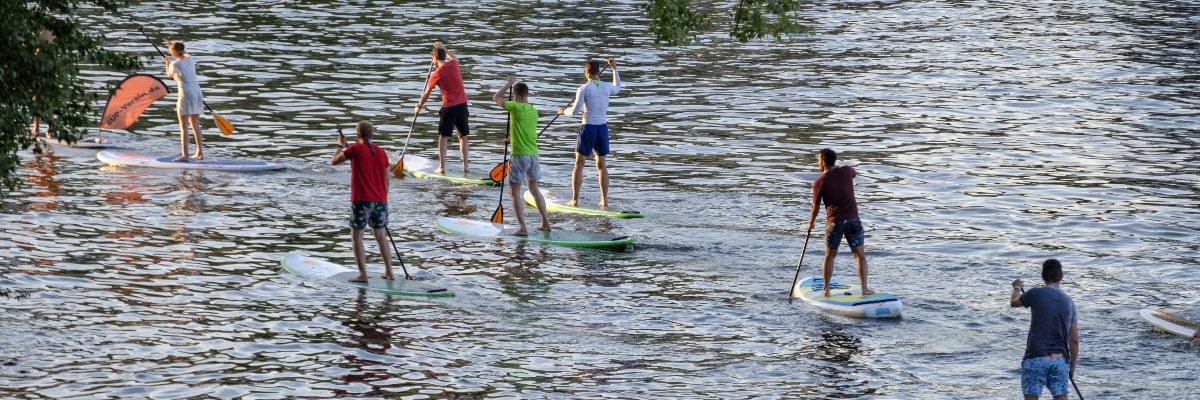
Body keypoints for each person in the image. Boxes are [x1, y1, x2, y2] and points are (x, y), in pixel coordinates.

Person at [331, 121, 395, 282]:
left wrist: (340, 146)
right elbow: (387, 180)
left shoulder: (354, 149)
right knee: (380, 236)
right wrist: (383, 200)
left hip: (361, 200)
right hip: (380, 200)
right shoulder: (381, 153)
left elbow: (334, 161)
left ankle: (363, 275)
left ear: (358, 135)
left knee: (357, 236)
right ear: (372, 134)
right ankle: (389, 272)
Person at [805, 148, 873, 297]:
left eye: (818, 160)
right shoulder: (847, 171)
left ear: (823, 162)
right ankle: (864, 289)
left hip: (835, 222)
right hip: (853, 221)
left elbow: (815, 207)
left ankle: (826, 290)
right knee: (860, 255)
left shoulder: (819, 182)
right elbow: (854, 173)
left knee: (830, 255)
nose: (817, 162)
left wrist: (811, 223)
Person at [1009, 259, 1080, 400]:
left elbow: (1014, 302)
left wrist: (1017, 288)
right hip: (1059, 361)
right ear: (1061, 277)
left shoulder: (1035, 293)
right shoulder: (1069, 302)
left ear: (1043, 277)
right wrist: (1071, 366)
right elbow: (1074, 340)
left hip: (1036, 358)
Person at [557, 58, 620, 207]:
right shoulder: (605, 87)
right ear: (598, 72)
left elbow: (574, 112)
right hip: (602, 129)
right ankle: (604, 200)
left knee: (579, 164)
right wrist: (614, 69)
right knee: (602, 165)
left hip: (588, 129)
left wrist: (562, 111)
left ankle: (575, 200)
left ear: (586, 72)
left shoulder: (584, 88)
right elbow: (618, 88)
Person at [493, 76, 551, 236]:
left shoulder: (515, 107)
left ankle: (522, 228)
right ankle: (545, 223)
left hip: (519, 156)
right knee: (534, 189)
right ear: (527, 94)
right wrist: (511, 139)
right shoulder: (533, 111)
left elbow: (496, 98)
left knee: (514, 191)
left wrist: (508, 84)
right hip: (533, 156)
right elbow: (524, 129)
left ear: (516, 95)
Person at [414, 41, 470, 174]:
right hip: (462, 105)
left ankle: (442, 167)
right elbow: (454, 58)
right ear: (444, 55)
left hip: (449, 107)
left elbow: (426, 93)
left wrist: (419, 106)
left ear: (434, 58)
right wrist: (444, 48)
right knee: (463, 136)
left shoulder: (436, 75)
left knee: (443, 136)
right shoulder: (454, 64)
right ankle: (465, 166)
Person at [163, 40, 206, 161]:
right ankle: (199, 153)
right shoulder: (190, 59)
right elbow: (184, 53)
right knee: (195, 124)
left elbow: (169, 75)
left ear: (174, 52)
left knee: (184, 126)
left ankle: (185, 155)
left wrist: (166, 63)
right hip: (197, 92)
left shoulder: (174, 65)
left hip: (186, 94)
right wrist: (172, 44)